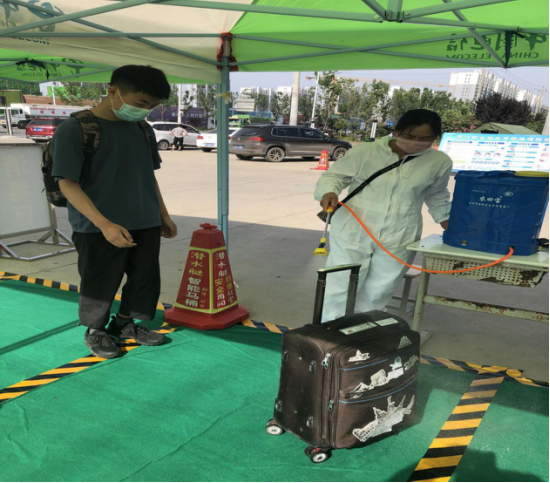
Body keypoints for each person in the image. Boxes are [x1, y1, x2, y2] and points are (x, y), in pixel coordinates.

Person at [52, 65, 178, 359]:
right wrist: (104, 224)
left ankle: (124, 324)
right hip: (96, 225)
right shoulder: (74, 129)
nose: (145, 111)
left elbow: (147, 175)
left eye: (152, 106)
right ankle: (95, 330)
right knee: (99, 281)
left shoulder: (142, 130)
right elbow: (66, 182)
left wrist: (163, 214)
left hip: (144, 219)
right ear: (113, 91)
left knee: (145, 279)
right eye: (141, 103)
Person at [315, 109, 453, 322]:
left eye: (425, 138)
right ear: (396, 131)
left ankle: (363, 328)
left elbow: (436, 195)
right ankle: (330, 328)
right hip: (354, 226)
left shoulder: (439, 161)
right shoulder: (366, 152)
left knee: (381, 287)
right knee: (341, 282)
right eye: (410, 136)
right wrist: (329, 192)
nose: (416, 143)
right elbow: (335, 176)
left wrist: (448, 223)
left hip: (401, 230)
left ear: (436, 137)